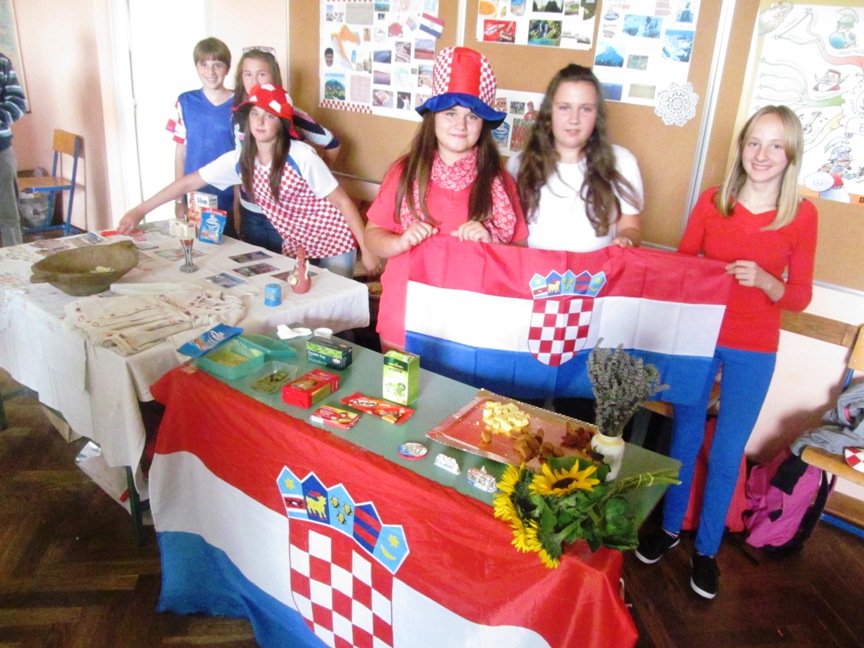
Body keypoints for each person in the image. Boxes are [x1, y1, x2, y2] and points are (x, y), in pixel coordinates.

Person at [634, 105, 818, 600]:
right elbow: (682, 267)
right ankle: (669, 529)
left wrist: (766, 281)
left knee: (727, 451)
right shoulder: (714, 201)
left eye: (775, 145)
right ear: (741, 147)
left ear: (790, 155)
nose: (762, 154)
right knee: (684, 437)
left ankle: (707, 551)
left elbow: (800, 296)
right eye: (754, 142)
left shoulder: (802, 215)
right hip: (699, 340)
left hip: (754, 349)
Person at [119, 83, 378, 279]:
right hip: (295, 242)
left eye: (269, 116)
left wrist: (366, 250)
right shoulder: (241, 159)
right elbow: (188, 183)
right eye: (255, 114)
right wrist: (139, 210)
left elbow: (343, 203)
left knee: (336, 310)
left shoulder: (301, 156)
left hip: (333, 238)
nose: (260, 122)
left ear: (282, 123)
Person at [364, 46, 528, 352]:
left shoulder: (499, 183)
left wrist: (491, 241)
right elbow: (373, 236)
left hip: (470, 323)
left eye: (472, 116)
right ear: (433, 117)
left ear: (484, 124)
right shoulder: (404, 172)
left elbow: (520, 255)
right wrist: (400, 242)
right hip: (405, 315)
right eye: (450, 113)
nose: (460, 124)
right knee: (403, 383)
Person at [506, 64, 642, 252]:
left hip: (598, 270)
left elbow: (631, 227)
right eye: (564, 107)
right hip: (534, 269)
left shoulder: (621, 162)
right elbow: (514, 236)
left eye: (585, 109)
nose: (574, 119)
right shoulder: (518, 164)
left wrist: (625, 240)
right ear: (549, 112)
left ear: (597, 115)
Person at [232, 48, 341, 252]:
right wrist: (237, 207)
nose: (254, 81)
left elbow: (332, 143)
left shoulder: (289, 113)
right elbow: (239, 164)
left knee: (288, 268)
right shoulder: (238, 114)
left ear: (274, 77)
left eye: (261, 74)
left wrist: (313, 184)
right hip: (250, 211)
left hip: (286, 214)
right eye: (248, 74)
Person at [166, 37, 237, 237]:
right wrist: (179, 199)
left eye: (217, 65)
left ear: (227, 68)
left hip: (230, 197)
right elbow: (180, 153)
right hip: (195, 197)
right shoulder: (185, 102)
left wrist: (239, 204)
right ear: (196, 67)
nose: (211, 71)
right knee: (198, 249)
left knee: (231, 249)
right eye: (204, 64)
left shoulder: (241, 104)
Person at [0, 52, 26, 247]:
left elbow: (17, 103)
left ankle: (15, 259)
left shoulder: (2, 62)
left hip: (1, 151)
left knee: (8, 215)